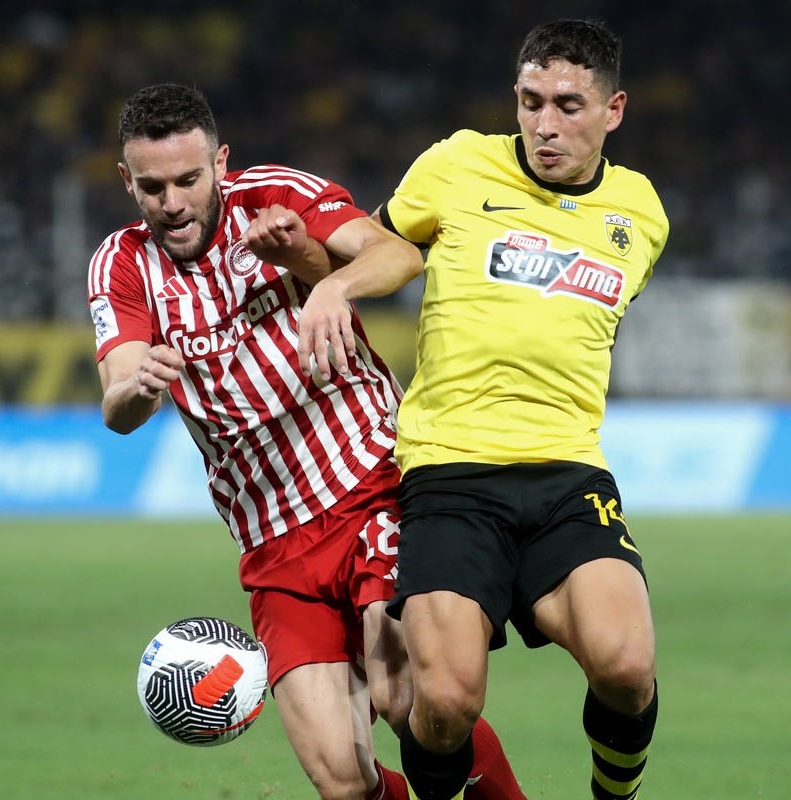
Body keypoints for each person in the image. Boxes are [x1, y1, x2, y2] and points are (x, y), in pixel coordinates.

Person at [87, 84, 525, 800]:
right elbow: (118, 403)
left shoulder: (276, 197)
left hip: (373, 486)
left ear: (220, 164)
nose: (173, 203)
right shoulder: (121, 263)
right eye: (153, 187)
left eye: (189, 180)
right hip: (273, 544)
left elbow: (398, 257)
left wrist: (327, 281)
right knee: (342, 781)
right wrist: (139, 387)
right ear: (126, 181)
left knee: (405, 698)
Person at [295, 20, 668, 800]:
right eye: (531, 102)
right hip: (451, 475)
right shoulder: (458, 163)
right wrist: (330, 279)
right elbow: (384, 248)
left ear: (614, 110)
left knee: (628, 667)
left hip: (568, 473)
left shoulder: (641, 213)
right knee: (445, 703)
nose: (545, 124)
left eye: (568, 105)